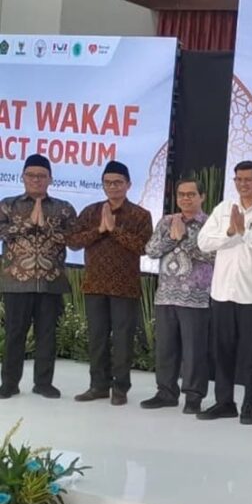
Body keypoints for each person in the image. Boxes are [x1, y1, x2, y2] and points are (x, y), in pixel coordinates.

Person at [196, 160, 252, 424]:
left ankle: (250, 403)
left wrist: (244, 232)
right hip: (223, 290)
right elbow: (203, 242)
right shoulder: (225, 208)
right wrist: (229, 231)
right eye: (238, 179)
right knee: (222, 350)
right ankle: (224, 402)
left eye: (248, 179)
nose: (242, 184)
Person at [67, 160, 154, 405]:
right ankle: (98, 386)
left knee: (123, 339)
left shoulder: (140, 215)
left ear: (128, 185)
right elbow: (73, 241)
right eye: (108, 183)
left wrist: (114, 229)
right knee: (97, 338)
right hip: (94, 285)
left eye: (117, 183)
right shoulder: (91, 211)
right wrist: (100, 230)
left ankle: (120, 389)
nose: (112, 187)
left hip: (125, 287)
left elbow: (143, 247)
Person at [0, 154, 76, 399]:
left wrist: (47, 227)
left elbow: (75, 240)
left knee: (47, 334)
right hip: (15, 281)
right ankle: (9, 384)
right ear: (22, 177)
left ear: (50, 179)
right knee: (14, 334)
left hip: (51, 282)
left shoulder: (63, 208)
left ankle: (43, 383)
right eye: (31, 175)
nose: (36, 180)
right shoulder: (7, 205)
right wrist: (26, 225)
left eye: (41, 176)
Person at [141, 179, 216, 413]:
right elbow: (151, 250)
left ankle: (193, 397)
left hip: (195, 298)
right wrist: (172, 237)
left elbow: (214, 256)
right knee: (165, 348)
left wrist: (185, 238)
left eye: (191, 194)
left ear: (202, 197)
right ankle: (166, 392)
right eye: (181, 194)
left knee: (194, 351)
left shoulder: (209, 224)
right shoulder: (166, 221)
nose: (186, 198)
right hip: (165, 296)